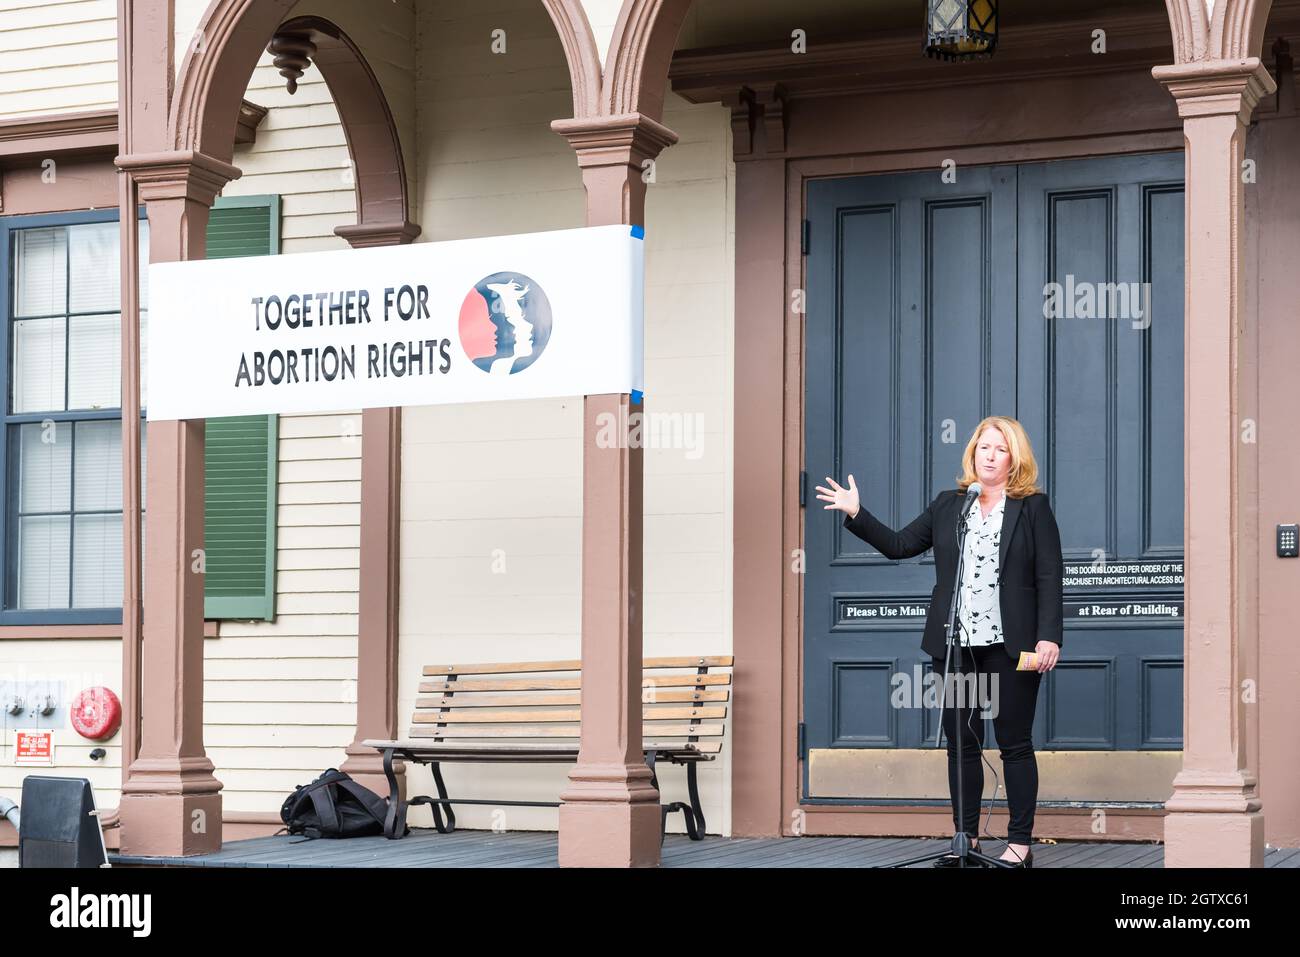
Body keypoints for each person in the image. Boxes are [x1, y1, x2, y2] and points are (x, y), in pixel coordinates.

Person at [815, 416, 1063, 868]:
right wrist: (856, 512)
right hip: (955, 646)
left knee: (1014, 743)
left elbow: (1049, 574)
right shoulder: (951, 505)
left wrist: (1050, 636)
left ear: (1015, 458)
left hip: (1013, 647)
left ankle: (1019, 845)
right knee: (961, 744)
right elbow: (898, 544)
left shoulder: (1032, 508)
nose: (990, 455)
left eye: (1000, 449)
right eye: (983, 447)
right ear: (973, 453)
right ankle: (965, 840)